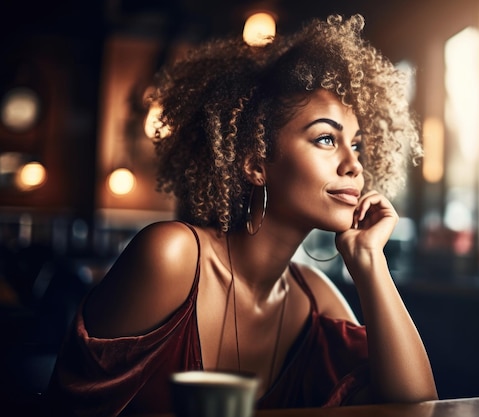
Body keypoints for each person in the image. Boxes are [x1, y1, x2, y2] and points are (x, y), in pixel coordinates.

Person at [46, 14, 438, 416]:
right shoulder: (173, 256)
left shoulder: (315, 299)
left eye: (356, 146)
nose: (354, 165)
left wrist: (370, 261)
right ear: (255, 163)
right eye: (326, 138)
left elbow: (418, 408)